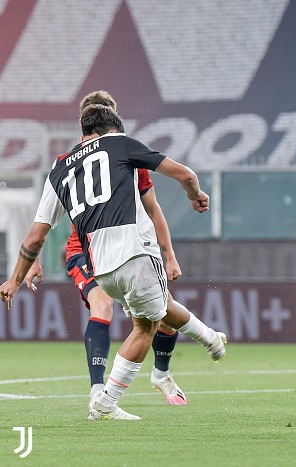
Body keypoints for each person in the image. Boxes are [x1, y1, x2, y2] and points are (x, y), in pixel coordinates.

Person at [0, 104, 226, 420]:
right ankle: (106, 403)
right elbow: (185, 174)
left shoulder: (60, 167)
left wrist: (14, 279)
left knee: (155, 313)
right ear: (113, 128)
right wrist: (195, 194)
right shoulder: (119, 143)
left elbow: (36, 237)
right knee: (147, 327)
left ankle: (208, 340)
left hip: (101, 266)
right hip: (135, 250)